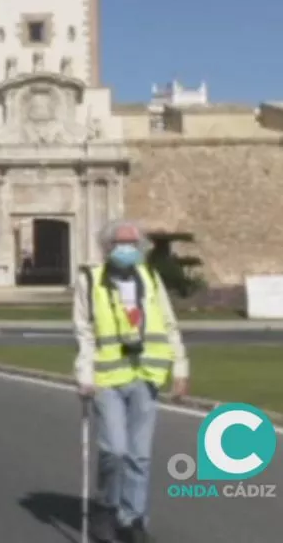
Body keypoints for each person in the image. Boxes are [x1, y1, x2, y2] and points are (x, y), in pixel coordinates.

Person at [74, 219, 189, 543]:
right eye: (120, 243)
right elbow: (83, 331)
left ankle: (132, 518)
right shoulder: (91, 280)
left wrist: (180, 367)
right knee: (115, 450)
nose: (127, 249)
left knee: (140, 455)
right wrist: (84, 373)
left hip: (146, 374)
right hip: (107, 376)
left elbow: (168, 323)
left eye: (132, 244)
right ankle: (106, 507)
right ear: (107, 247)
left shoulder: (150, 278)